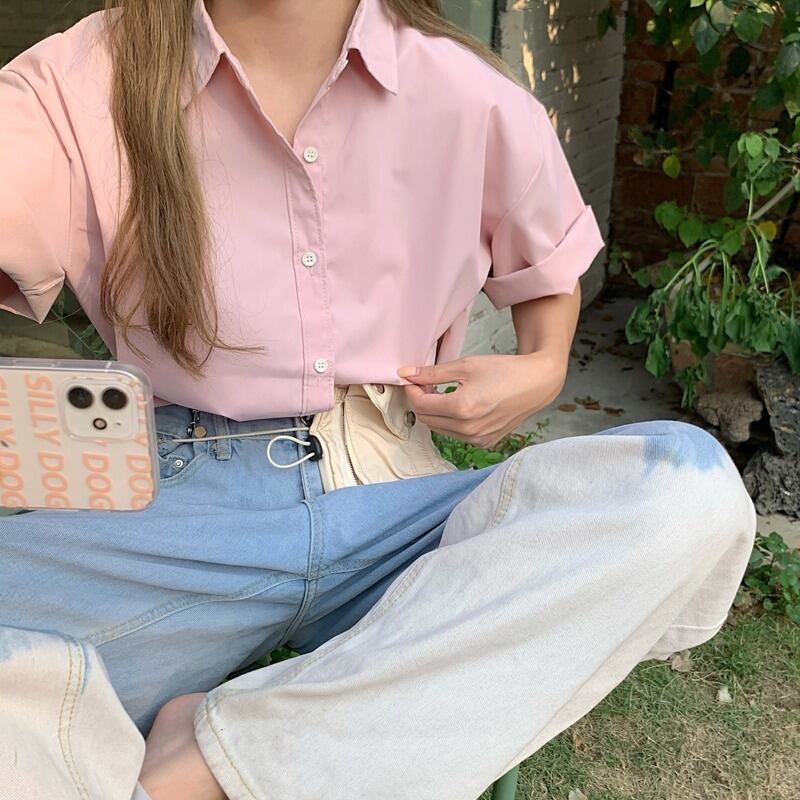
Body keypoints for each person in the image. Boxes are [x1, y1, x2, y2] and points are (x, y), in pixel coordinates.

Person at [0, 1, 757, 799]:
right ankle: (297, 740)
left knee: (688, 497)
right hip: (173, 507)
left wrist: (542, 369)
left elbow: (548, 275)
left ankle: (216, 761)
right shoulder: (81, 76)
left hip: (397, 496)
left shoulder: (466, 89)